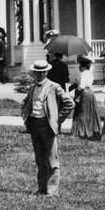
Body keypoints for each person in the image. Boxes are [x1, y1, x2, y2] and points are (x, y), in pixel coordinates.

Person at [20, 60, 74, 196]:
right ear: (34, 73)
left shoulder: (54, 87)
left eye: (42, 72)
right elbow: (25, 103)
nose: (39, 75)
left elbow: (69, 103)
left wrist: (57, 119)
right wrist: (26, 116)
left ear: (46, 72)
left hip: (47, 125)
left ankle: (52, 191)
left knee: (52, 159)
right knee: (40, 159)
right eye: (37, 72)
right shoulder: (33, 87)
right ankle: (42, 188)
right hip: (34, 124)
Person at [71, 54, 101, 139]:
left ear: (83, 66)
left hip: (84, 93)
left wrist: (77, 85)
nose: (79, 67)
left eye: (80, 65)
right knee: (90, 113)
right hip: (90, 93)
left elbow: (81, 86)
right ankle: (90, 129)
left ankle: (81, 131)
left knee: (81, 113)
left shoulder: (83, 74)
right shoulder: (90, 74)